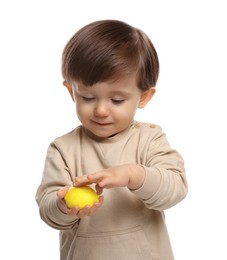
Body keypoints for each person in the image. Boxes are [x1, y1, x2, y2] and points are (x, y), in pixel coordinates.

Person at [36, 19, 188, 260]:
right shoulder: (63, 149)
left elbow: (174, 189)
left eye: (116, 100)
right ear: (71, 92)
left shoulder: (149, 138)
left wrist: (133, 175)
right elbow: (48, 211)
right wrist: (63, 206)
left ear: (144, 96)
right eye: (87, 97)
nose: (101, 111)